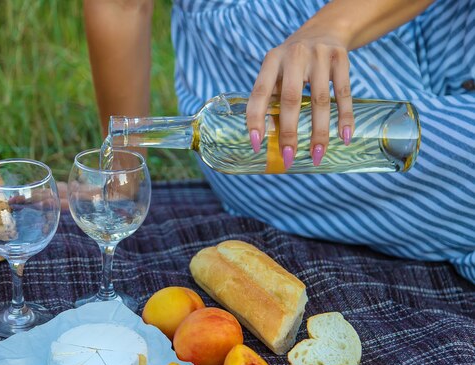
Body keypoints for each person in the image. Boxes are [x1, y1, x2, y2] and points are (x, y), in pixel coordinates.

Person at [83, 0, 475, 283]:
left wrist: (332, 26)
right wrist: (121, 178)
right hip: (264, 56)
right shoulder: (218, 127)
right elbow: (120, 6)